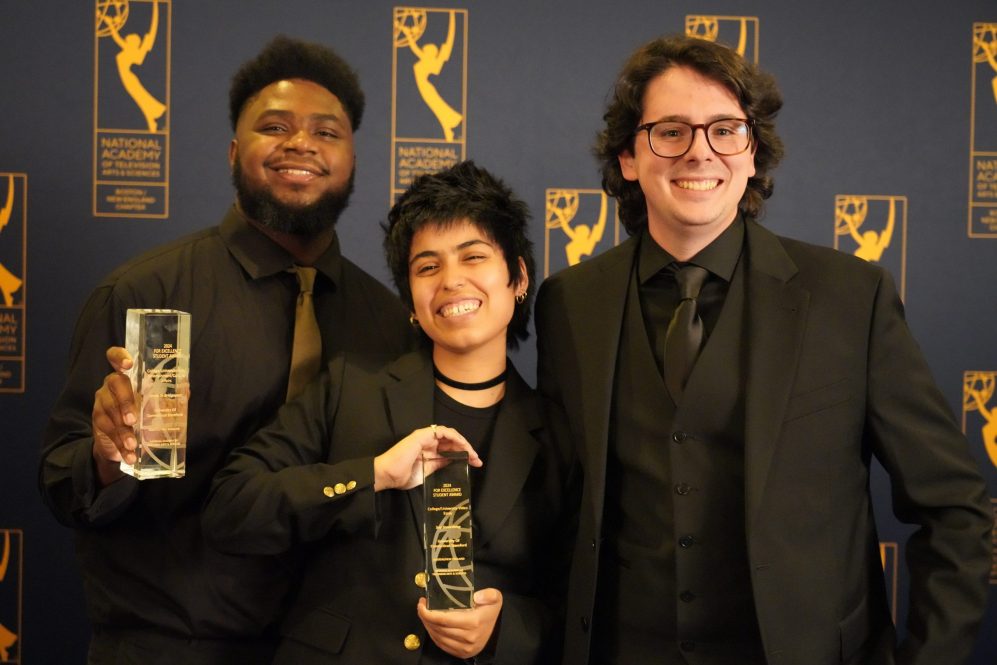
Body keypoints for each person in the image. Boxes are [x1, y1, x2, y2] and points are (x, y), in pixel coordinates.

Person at [535, 35, 992, 665]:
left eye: (725, 130)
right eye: (670, 131)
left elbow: (955, 511)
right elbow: (551, 511)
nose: (699, 151)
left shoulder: (852, 299)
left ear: (753, 155)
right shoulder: (567, 304)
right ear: (630, 158)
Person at [39, 36, 413, 664]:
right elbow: (59, 479)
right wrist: (106, 456)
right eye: (275, 127)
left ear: (351, 159)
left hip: (333, 648)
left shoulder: (388, 321)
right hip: (166, 645)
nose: (301, 143)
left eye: (327, 132)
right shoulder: (145, 291)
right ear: (236, 150)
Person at [202, 160, 567, 664]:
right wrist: (369, 475)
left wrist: (506, 628)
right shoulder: (351, 388)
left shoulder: (556, 430)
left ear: (518, 276)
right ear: (411, 302)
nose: (452, 281)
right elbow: (231, 509)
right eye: (428, 266)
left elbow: (580, 600)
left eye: (474, 256)